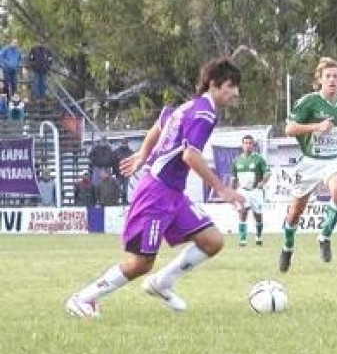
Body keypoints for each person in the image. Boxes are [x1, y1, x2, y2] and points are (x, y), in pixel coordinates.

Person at [65, 57, 244, 318]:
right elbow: (190, 156)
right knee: (141, 263)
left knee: (212, 241)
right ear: (215, 84)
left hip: (172, 192)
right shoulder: (205, 114)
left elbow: (160, 124)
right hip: (156, 193)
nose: (236, 93)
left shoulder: (187, 107)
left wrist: (141, 155)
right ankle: (83, 298)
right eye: (232, 86)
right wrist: (222, 189)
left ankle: (162, 283)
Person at [278, 57, 337, 273]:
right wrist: (317, 126)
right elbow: (289, 129)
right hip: (309, 162)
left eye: (335, 76)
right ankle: (287, 247)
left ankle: (325, 236)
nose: (332, 80)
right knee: (295, 213)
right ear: (319, 80)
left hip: (333, 160)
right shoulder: (308, 102)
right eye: (328, 76)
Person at [231, 134, 271, 247]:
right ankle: (242, 239)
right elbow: (233, 178)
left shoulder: (259, 159)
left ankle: (258, 236)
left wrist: (262, 182)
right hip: (242, 191)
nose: (247, 145)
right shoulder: (237, 160)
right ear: (242, 145)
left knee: (257, 215)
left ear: (253, 145)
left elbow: (267, 173)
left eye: (250, 143)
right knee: (242, 213)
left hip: (255, 191)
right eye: (245, 143)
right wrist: (231, 192)